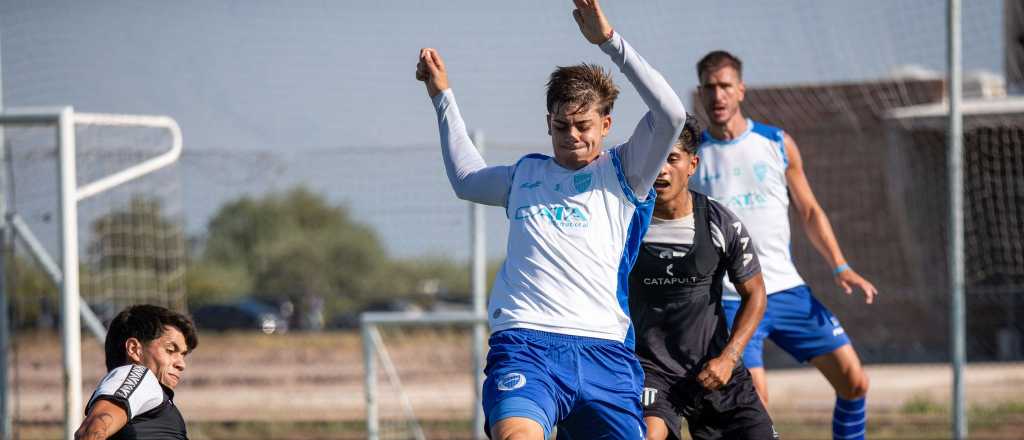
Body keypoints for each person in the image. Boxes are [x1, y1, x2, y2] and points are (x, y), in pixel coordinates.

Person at [416, 0, 686, 438]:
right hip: (526, 343)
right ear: (548, 124)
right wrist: (442, 97)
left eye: (583, 125)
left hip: (604, 351)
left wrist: (609, 42)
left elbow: (672, 114)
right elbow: (466, 179)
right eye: (562, 127)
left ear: (605, 123)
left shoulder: (626, 172)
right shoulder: (525, 175)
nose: (573, 136)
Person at [690, 50, 878, 440]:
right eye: (709, 88)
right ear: (701, 93)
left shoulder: (776, 143)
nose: (717, 96)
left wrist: (840, 266)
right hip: (731, 299)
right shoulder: (693, 158)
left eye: (725, 86)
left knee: (854, 382)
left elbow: (809, 210)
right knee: (755, 405)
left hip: (787, 288)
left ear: (741, 90)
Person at [629, 115, 775, 440]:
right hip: (652, 373)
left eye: (672, 159)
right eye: (655, 160)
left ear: (692, 164)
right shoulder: (624, 225)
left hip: (715, 368)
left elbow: (756, 294)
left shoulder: (721, 224)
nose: (661, 169)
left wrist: (729, 358)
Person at [75, 304, 198, 440]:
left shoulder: (153, 398)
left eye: (183, 355)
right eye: (170, 350)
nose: (181, 364)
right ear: (134, 349)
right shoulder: (138, 374)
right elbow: (90, 431)